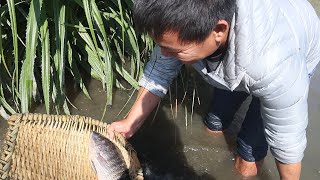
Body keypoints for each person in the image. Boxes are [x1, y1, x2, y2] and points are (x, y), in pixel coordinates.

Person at [108, 0, 320, 179]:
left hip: (293, 49)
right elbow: (160, 70)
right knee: (214, 122)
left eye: (175, 50)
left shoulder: (276, 69)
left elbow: (287, 140)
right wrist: (130, 123)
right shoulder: (184, 26)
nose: (164, 54)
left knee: (248, 154)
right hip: (240, 49)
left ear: (218, 31)